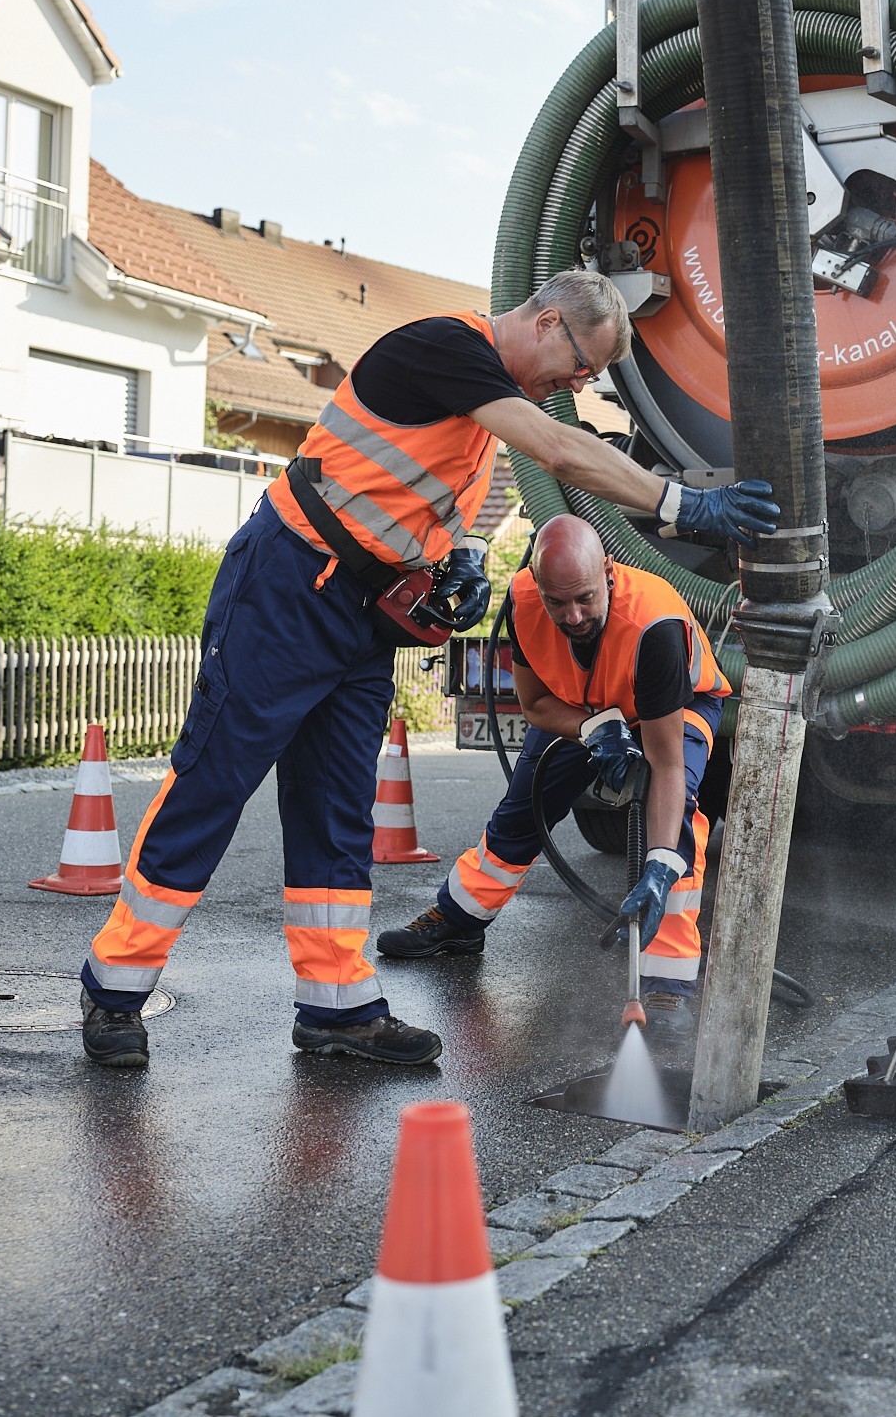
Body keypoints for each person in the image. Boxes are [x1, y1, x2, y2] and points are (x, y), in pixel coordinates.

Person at [78, 270, 777, 1068]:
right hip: (287, 583)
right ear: (548, 321)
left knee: (340, 806)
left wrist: (463, 559)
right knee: (214, 781)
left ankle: (338, 1008)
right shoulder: (445, 346)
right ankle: (116, 992)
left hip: (360, 615)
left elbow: (429, 499)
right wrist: (682, 504)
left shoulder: (478, 407)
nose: (577, 387)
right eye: (582, 366)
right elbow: (558, 452)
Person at [377, 515, 728, 1028]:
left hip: (677, 705)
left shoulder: (655, 626)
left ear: (609, 571)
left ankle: (666, 981)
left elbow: (668, 765)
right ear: (537, 585)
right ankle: (460, 920)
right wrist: (596, 730)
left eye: (585, 597)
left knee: (673, 827)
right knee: (524, 808)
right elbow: (536, 704)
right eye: (557, 602)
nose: (574, 615)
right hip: (579, 707)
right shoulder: (523, 601)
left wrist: (656, 867)